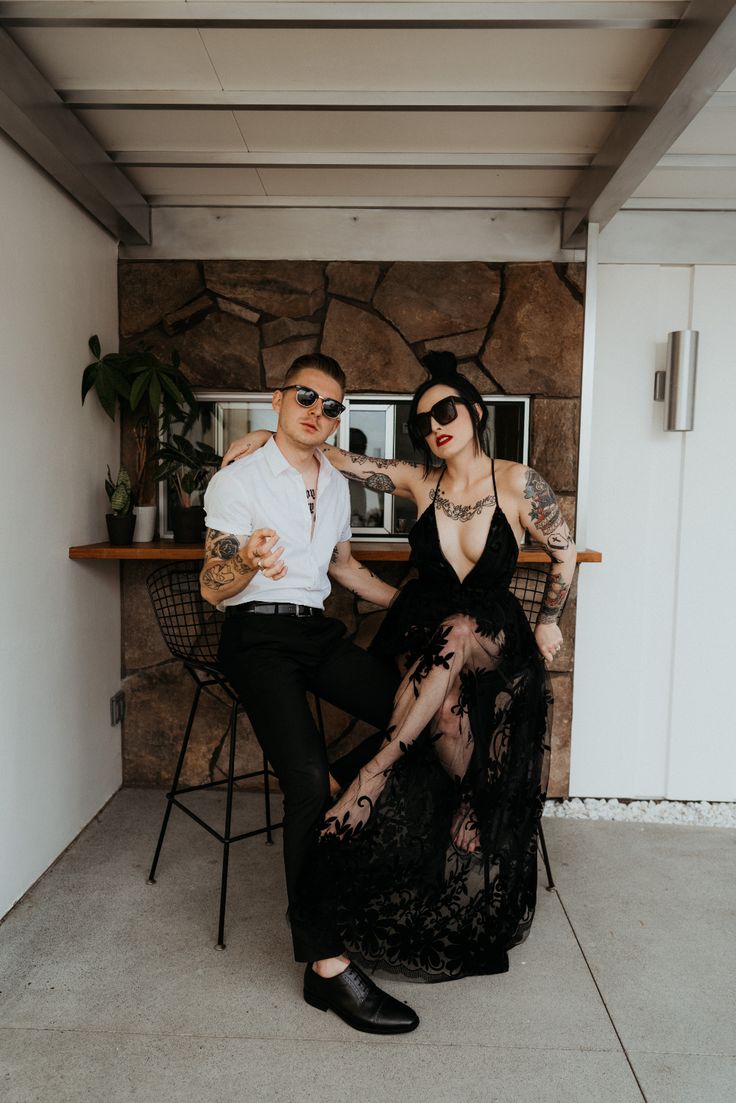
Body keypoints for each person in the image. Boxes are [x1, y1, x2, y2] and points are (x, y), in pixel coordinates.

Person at [222, 351, 577, 982]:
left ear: (473, 412)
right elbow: (336, 456)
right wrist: (264, 432)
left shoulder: (518, 481)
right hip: (438, 643)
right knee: (438, 694)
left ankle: (371, 776)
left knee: (463, 628)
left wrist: (550, 619)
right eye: (422, 422)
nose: (436, 426)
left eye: (446, 411)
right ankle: (454, 799)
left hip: (496, 640)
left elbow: (565, 551)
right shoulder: (421, 482)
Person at [200, 352, 420, 1034]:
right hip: (256, 635)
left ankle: (341, 797)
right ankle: (325, 963)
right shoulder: (238, 477)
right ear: (277, 399)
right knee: (301, 778)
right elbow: (212, 584)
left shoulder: (334, 480)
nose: (319, 412)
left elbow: (345, 568)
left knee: (414, 713)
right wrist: (247, 560)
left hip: (315, 633)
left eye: (332, 406)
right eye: (307, 397)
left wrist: (423, 612)